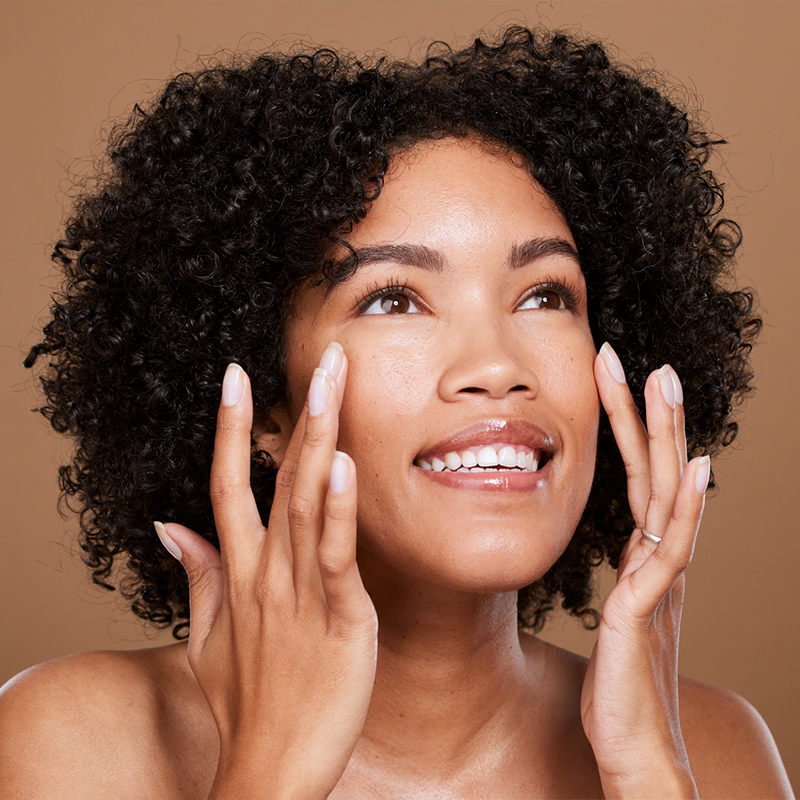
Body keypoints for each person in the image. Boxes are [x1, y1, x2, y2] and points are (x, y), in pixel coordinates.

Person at [0, 25, 792, 799]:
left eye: (545, 294)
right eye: (393, 300)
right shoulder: (74, 740)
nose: (497, 367)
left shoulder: (715, 752)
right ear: (269, 406)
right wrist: (269, 775)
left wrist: (652, 776)